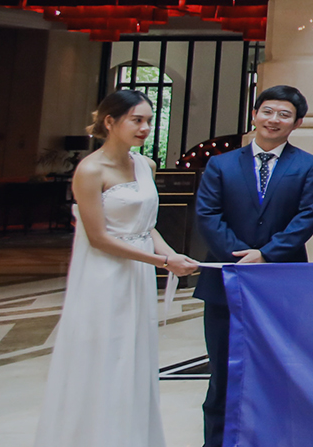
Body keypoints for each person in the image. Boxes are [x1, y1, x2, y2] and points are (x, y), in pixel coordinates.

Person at [34, 91, 197, 447]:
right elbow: (98, 237)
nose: (145, 128)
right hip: (103, 273)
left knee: (134, 353)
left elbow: (146, 224)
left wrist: (172, 257)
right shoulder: (91, 170)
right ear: (110, 122)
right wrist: (161, 262)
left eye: (149, 121)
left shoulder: (146, 165)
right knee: (105, 353)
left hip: (137, 269)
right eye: (137, 120)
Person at [193, 86, 313, 446]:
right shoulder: (221, 164)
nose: (274, 120)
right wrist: (242, 256)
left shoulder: (309, 166)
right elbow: (208, 215)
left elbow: (306, 219)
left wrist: (265, 255)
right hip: (225, 282)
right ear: (255, 115)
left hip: (282, 285)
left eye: (284, 115)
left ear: (297, 122)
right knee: (222, 372)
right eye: (267, 112)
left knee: (278, 371)